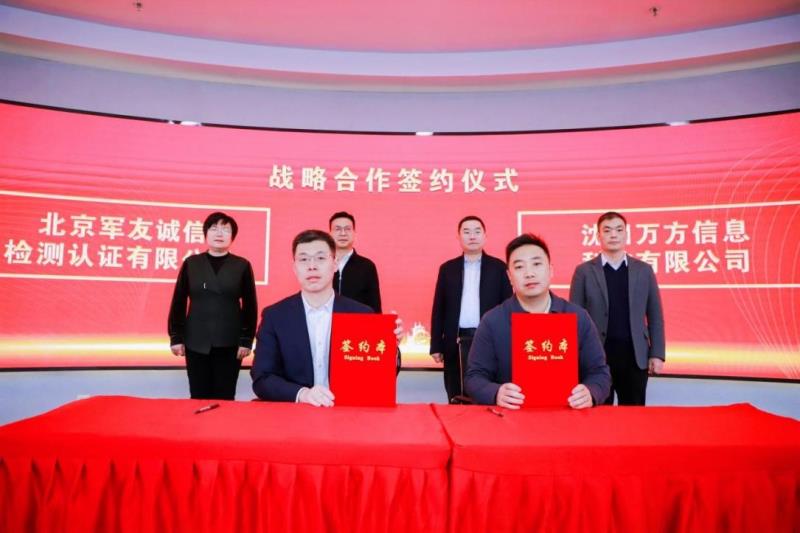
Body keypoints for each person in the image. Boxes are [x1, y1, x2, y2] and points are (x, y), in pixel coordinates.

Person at [251, 229, 401, 406]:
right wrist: (302, 394)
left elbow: (377, 378)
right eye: (304, 259)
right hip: (295, 412)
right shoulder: (275, 316)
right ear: (294, 268)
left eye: (320, 258)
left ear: (335, 264)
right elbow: (262, 378)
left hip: (347, 411)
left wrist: (390, 349)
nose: (312, 266)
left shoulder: (361, 314)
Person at [465, 233, 610, 409]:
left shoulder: (578, 317)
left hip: (567, 416)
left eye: (536, 264)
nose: (529, 273)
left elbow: (600, 373)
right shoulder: (492, 321)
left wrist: (591, 392)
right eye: (519, 267)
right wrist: (496, 393)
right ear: (509, 276)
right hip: (510, 417)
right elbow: (474, 377)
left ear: (550, 270)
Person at [569, 211, 665, 405]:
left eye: (619, 230)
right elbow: (573, 319)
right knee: (598, 414)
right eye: (607, 230)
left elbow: (655, 315)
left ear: (626, 234)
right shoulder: (584, 272)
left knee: (634, 414)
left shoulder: (644, 270)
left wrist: (657, 354)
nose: (613, 235)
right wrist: (575, 356)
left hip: (635, 356)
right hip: (597, 356)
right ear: (598, 236)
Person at [168, 212, 257, 400]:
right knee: (198, 395)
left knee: (225, 396)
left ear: (232, 236)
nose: (219, 233)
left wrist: (246, 339)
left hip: (230, 342)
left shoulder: (242, 265)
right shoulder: (191, 263)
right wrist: (176, 336)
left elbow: (250, 305)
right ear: (205, 233)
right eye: (214, 228)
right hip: (195, 341)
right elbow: (179, 301)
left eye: (226, 229)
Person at [430, 216, 512, 402]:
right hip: (456, 341)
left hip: (490, 340)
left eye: (477, 231)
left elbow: (507, 306)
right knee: (456, 393)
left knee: (487, 392)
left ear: (485, 236)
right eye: (466, 232)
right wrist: (436, 344)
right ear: (458, 237)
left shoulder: (499, 267)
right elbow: (439, 308)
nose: (472, 236)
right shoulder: (447, 269)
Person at [329, 212, 382, 312]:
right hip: (326, 321)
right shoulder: (323, 264)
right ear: (330, 234)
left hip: (357, 320)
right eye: (337, 229)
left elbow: (375, 306)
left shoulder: (367, 266)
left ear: (354, 234)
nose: (343, 233)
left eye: (347, 229)